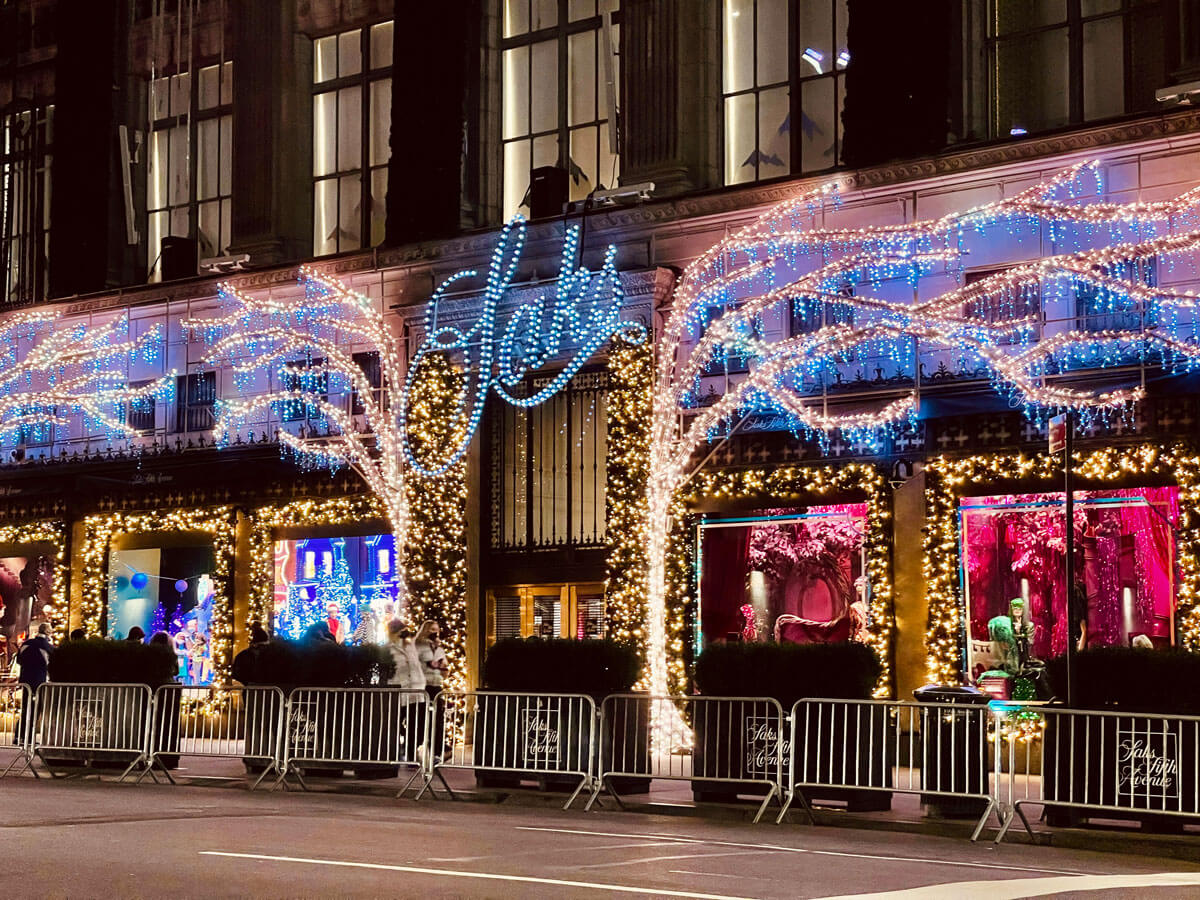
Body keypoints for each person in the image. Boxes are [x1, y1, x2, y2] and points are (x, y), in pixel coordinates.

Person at [387, 620, 426, 760]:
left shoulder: (411, 646)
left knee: (417, 725)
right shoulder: (388, 648)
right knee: (397, 724)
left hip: (417, 690)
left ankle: (412, 752)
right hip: (400, 691)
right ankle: (396, 751)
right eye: (401, 631)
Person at [414, 621, 448, 757]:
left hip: (436, 685)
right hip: (424, 685)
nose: (435, 633)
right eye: (432, 629)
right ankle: (417, 749)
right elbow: (422, 664)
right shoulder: (419, 646)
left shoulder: (439, 649)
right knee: (422, 718)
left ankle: (438, 751)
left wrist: (442, 667)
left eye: (437, 630)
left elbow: (444, 667)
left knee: (438, 718)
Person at [15, 624, 53, 741]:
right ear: (48, 633)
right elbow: (49, 665)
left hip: (26, 680)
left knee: (26, 708)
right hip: (39, 681)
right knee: (36, 710)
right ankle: (29, 736)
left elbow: (19, 660)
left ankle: (19, 734)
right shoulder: (48, 647)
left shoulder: (26, 644)